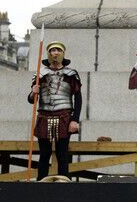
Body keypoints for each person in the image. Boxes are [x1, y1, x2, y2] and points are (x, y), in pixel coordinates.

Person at [28, 41, 82, 181]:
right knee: (44, 154)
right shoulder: (40, 74)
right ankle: (41, 184)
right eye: (52, 50)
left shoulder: (71, 73)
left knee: (62, 153)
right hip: (44, 115)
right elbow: (30, 100)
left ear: (63, 53)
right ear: (48, 53)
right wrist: (34, 93)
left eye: (58, 50)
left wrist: (75, 120)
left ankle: (64, 186)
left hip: (64, 116)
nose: (55, 53)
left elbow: (78, 98)